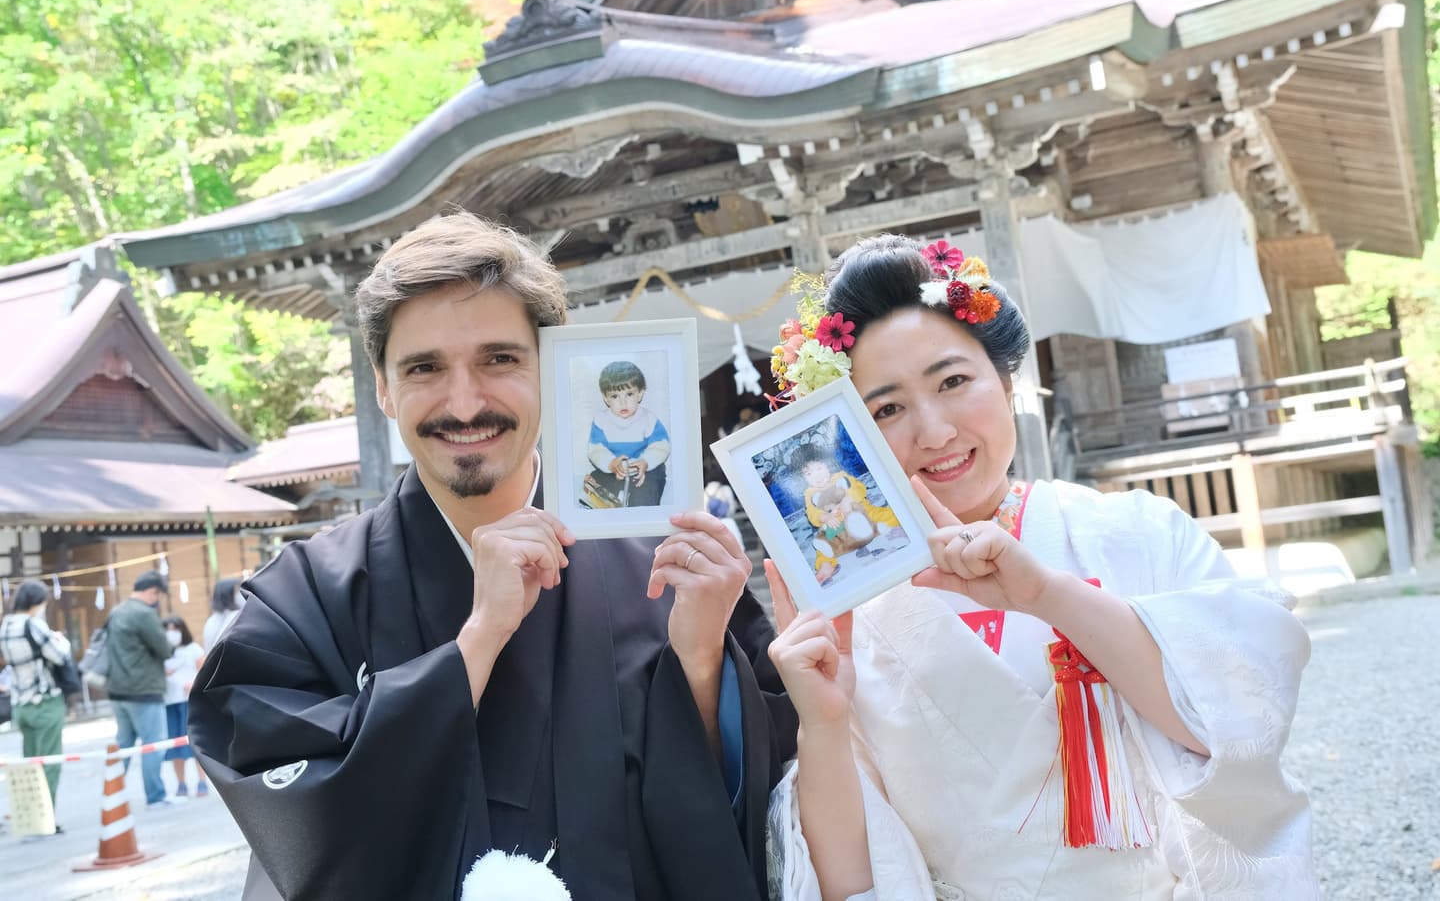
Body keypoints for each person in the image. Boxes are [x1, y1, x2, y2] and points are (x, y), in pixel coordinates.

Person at [189, 212, 796, 901]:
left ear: (552, 367)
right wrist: (476, 643)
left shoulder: (663, 565)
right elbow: (290, 813)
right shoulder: (308, 596)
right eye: (423, 368)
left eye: (499, 359)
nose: (465, 402)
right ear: (384, 387)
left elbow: (765, 794)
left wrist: (702, 662)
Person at [764, 235, 1316, 899]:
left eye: (954, 381)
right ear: (847, 435)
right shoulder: (854, 615)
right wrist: (822, 721)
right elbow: (849, 879)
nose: (934, 431)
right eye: (887, 409)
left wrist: (1047, 595)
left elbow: (1232, 728)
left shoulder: (1136, 532)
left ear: (1005, 380)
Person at [0, 580, 72, 815]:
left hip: (20, 702)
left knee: (29, 762)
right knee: (49, 762)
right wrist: (61, 641)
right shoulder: (34, 624)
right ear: (36, 602)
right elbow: (59, 655)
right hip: (44, 700)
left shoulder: (6, 625)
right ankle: (46, 816)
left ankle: (29, 815)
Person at [106, 570, 174, 808]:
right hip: (144, 688)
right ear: (152, 591)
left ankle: (112, 794)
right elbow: (164, 649)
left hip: (117, 688)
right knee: (152, 744)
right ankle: (155, 796)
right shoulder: (144, 613)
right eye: (158, 595)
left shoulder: (117, 611)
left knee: (123, 744)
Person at [790, 444, 900, 584]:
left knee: (890, 514)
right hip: (839, 530)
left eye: (819, 468)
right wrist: (825, 517)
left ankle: (891, 528)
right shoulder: (810, 493)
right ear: (802, 479)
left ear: (828, 464)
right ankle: (825, 566)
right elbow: (812, 513)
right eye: (809, 474)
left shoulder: (841, 477)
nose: (817, 476)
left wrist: (848, 499)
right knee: (823, 545)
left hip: (865, 515)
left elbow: (861, 490)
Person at [584, 359, 671, 508]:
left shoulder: (648, 419)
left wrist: (645, 462)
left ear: (640, 394)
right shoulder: (601, 420)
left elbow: (661, 446)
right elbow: (596, 449)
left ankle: (640, 514)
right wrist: (610, 464)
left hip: (642, 470)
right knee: (593, 482)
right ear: (605, 398)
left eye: (629, 394)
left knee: (649, 488)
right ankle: (608, 513)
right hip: (613, 469)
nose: (623, 403)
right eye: (615, 396)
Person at [161, 616, 207, 798]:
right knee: (173, 746)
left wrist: (194, 683)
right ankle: (181, 783)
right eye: (167, 629)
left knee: (195, 743)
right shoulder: (162, 653)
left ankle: (202, 781)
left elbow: (205, 672)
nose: (171, 633)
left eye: (175, 628)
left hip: (189, 702)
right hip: (168, 703)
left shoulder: (194, 649)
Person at [202, 577, 243, 649]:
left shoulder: (211, 620)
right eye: (237, 591)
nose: (241, 594)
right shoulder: (234, 616)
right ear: (227, 595)